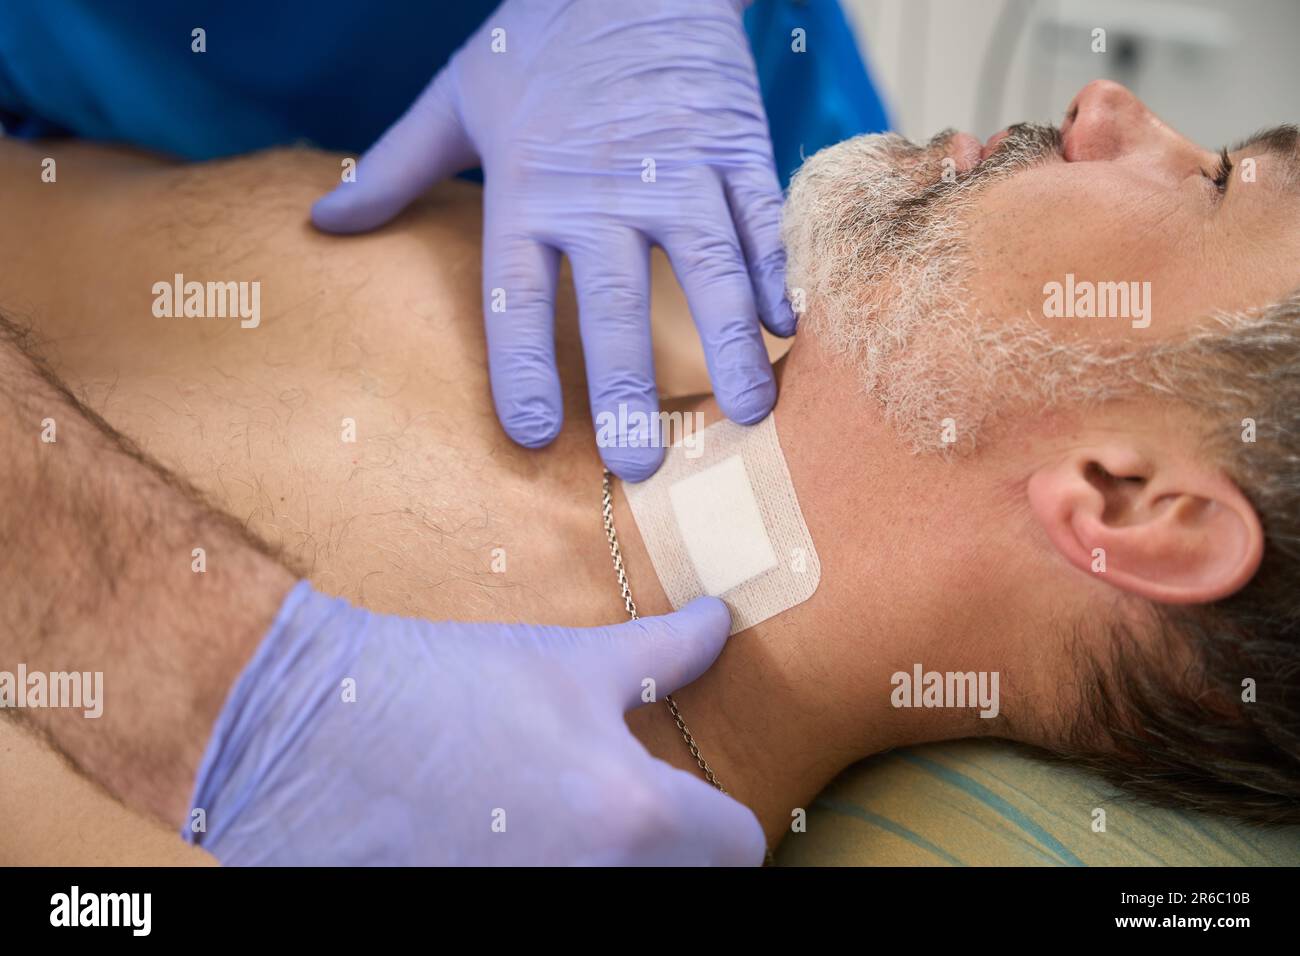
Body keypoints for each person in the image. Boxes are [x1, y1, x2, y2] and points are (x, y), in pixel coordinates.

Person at [2, 79, 1298, 866]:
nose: (1106, 110)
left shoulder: (420, 822)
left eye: (1219, 179)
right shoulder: (685, 248)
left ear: (1137, 506)